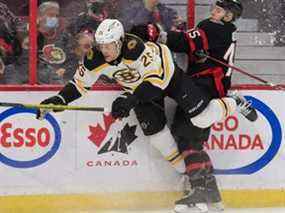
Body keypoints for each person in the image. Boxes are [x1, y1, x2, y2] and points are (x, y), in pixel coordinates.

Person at [36, 19, 256, 192]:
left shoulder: (136, 48)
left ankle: (234, 102)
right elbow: (79, 85)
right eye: (102, 46)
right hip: (139, 90)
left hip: (168, 78)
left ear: (120, 41)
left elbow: (155, 84)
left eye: (110, 46)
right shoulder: (94, 58)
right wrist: (59, 100)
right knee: (158, 139)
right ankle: (189, 178)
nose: (106, 51)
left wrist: (128, 101)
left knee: (201, 118)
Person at [130, 0, 246, 212]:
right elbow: (198, 44)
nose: (214, 11)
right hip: (211, 90)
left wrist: (157, 33)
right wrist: (200, 51)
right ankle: (211, 193)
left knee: (186, 137)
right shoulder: (224, 31)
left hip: (203, 90)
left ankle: (198, 189)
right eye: (215, 7)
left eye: (220, 10)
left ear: (229, 16)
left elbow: (184, 41)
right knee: (193, 141)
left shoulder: (213, 27)